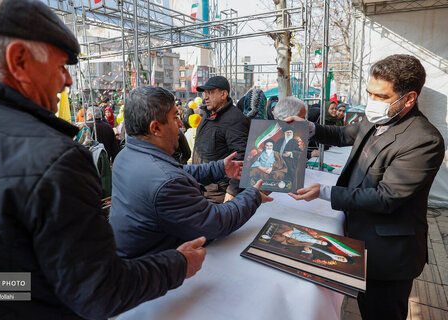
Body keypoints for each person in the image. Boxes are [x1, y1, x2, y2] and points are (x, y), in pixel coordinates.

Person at [0, 0, 206, 318]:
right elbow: (98, 291)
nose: (67, 81)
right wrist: (177, 264)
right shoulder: (54, 158)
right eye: (60, 66)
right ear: (19, 61)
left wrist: (18, 287)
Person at [287, 54, 445, 320]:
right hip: (360, 238)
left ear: (408, 98)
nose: (373, 102)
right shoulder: (376, 118)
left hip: (388, 254)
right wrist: (309, 127)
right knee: (364, 305)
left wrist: (324, 192)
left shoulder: (423, 140)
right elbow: (342, 135)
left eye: (382, 96)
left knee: (381, 312)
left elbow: (386, 198)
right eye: (370, 93)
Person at [110, 86, 273, 258]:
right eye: (175, 118)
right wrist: (252, 195)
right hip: (160, 270)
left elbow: (179, 170)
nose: (181, 123)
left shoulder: (125, 156)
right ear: (155, 128)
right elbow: (215, 223)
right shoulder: (166, 181)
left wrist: (220, 168)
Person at [192, 76, 250, 203]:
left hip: (218, 194)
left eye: (211, 92)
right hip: (202, 189)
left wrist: (232, 191)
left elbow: (242, 155)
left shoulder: (234, 119)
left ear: (224, 94)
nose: (205, 97)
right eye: (205, 93)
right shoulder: (208, 113)